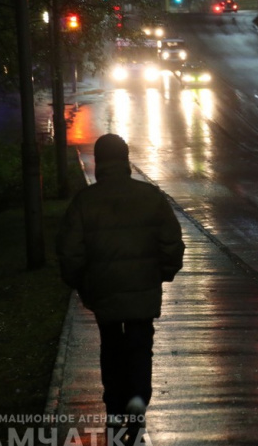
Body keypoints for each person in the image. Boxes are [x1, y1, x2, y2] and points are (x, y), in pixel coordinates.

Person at [57, 133, 185, 428]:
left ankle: (115, 406)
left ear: (99, 162)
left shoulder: (85, 202)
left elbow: (69, 251)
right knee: (141, 345)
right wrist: (162, 273)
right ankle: (138, 400)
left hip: (104, 290)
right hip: (143, 287)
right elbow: (172, 242)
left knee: (111, 346)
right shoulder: (150, 197)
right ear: (126, 159)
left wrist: (81, 283)